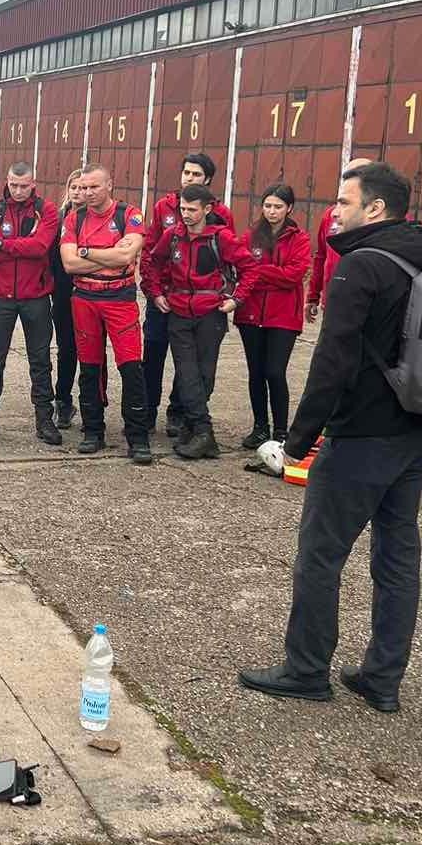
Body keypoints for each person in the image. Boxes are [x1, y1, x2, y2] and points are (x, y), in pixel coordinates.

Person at [239, 162, 422, 713]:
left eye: (344, 202)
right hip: (412, 432)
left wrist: (297, 440)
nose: (334, 212)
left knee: (320, 555)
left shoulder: (361, 265)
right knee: (398, 558)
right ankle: (382, 678)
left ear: (375, 208)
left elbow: (333, 361)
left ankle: (306, 669)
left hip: (359, 434)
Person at [148, 185, 257, 459]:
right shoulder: (173, 236)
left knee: (204, 374)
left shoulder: (222, 237)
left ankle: (193, 426)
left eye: (192, 209)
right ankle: (203, 431)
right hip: (178, 312)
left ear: (207, 209)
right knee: (187, 372)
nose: (185, 214)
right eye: (182, 209)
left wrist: (236, 300)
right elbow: (153, 263)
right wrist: (156, 293)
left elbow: (250, 268)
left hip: (211, 313)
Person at [59, 163, 152, 464]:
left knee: (131, 367)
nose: (87, 192)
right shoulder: (74, 218)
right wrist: (109, 256)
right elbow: (69, 264)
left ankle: (137, 438)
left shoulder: (129, 215)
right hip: (84, 298)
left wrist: (85, 251)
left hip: (120, 298)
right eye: (83, 187)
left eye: (94, 187)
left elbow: (127, 255)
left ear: (109, 185)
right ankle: (93, 431)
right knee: (89, 367)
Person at [139, 153, 233, 437]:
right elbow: (150, 252)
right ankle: (147, 410)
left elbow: (227, 259)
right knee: (153, 352)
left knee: (189, 362)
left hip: (198, 302)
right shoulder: (164, 207)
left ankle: (178, 412)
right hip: (164, 297)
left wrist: (227, 296)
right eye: (186, 172)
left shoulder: (221, 214)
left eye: (196, 174)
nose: (189, 178)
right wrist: (153, 291)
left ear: (207, 180)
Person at [0, 161, 61, 444]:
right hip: (0, 297)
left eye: (24, 186)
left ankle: (45, 419)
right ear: (6, 182)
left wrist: (3, 244)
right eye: (13, 185)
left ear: (33, 184)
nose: (18, 190)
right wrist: (9, 247)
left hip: (36, 297)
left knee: (40, 360)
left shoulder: (47, 210)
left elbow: (41, 247)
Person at [235, 185, 312, 449]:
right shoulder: (250, 236)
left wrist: (260, 272)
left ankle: (281, 431)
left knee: (275, 372)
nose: (272, 211)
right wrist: (271, 273)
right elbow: (243, 269)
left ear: (289, 208)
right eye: (267, 206)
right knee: (256, 372)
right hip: (250, 314)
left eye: (278, 206)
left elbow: (294, 275)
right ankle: (260, 427)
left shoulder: (299, 239)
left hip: (283, 316)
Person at [306, 157, 373, 324]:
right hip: (332, 301)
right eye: (347, 176)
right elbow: (321, 256)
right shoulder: (331, 215)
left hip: (367, 306)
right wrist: (313, 296)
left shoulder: (389, 219)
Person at [51, 169, 85, 430]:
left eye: (83, 187)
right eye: (74, 187)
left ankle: (93, 403)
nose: (78, 192)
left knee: (92, 351)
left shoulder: (96, 220)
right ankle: (62, 401)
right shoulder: (58, 219)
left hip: (90, 292)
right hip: (62, 295)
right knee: (66, 349)